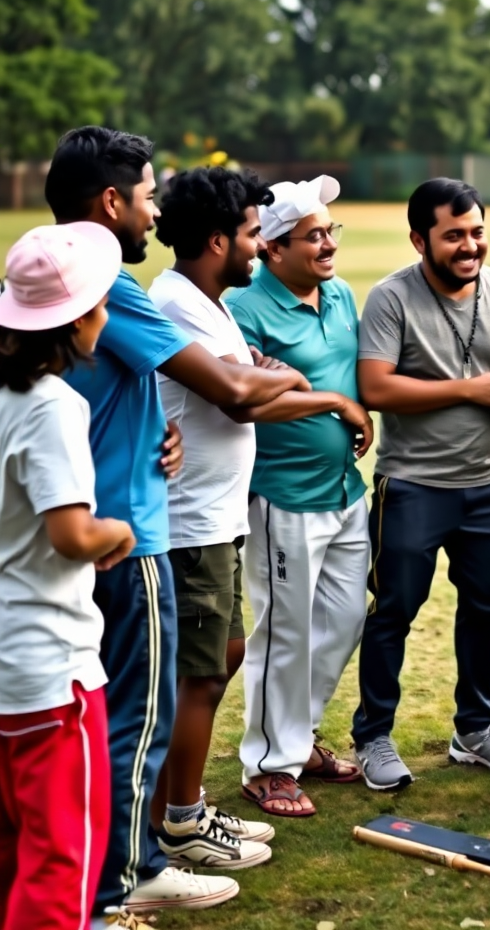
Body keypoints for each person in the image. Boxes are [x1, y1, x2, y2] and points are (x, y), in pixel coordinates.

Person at [45, 127, 309, 919]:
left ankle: (101, 869)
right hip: (129, 536)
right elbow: (222, 386)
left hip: (84, 526)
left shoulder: (39, 275)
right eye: (148, 195)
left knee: (90, 718)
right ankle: (130, 878)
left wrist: (140, 426)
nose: (155, 214)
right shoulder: (108, 286)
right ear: (112, 201)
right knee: (137, 715)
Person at [351, 177, 490, 790]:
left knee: (485, 610)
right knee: (394, 612)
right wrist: (472, 388)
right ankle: (373, 737)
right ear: (419, 238)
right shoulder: (390, 299)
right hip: (412, 486)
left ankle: (474, 732)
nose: (469, 246)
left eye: (477, 232)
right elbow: (376, 388)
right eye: (453, 235)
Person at [148, 167, 286, 867]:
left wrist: (259, 371)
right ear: (216, 239)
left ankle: (186, 801)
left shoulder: (210, 300)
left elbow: (241, 376)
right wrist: (285, 378)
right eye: (253, 235)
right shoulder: (175, 302)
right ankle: (176, 823)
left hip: (217, 517)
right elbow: (239, 395)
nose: (259, 248)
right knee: (197, 677)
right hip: (189, 523)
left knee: (223, 657)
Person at [226, 176, 375, 817]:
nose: (327, 243)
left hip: (346, 489)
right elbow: (250, 389)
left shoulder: (341, 295)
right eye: (313, 235)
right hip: (282, 494)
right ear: (273, 248)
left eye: (330, 231)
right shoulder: (243, 310)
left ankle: (297, 736)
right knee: (283, 632)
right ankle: (268, 766)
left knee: (341, 621)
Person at [0, 223, 134, 930]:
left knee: (10, 854)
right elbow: (72, 534)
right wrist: (120, 531)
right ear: (78, 318)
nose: (106, 317)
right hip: (49, 675)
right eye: (102, 304)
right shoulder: (53, 405)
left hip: (4, 671)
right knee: (59, 865)